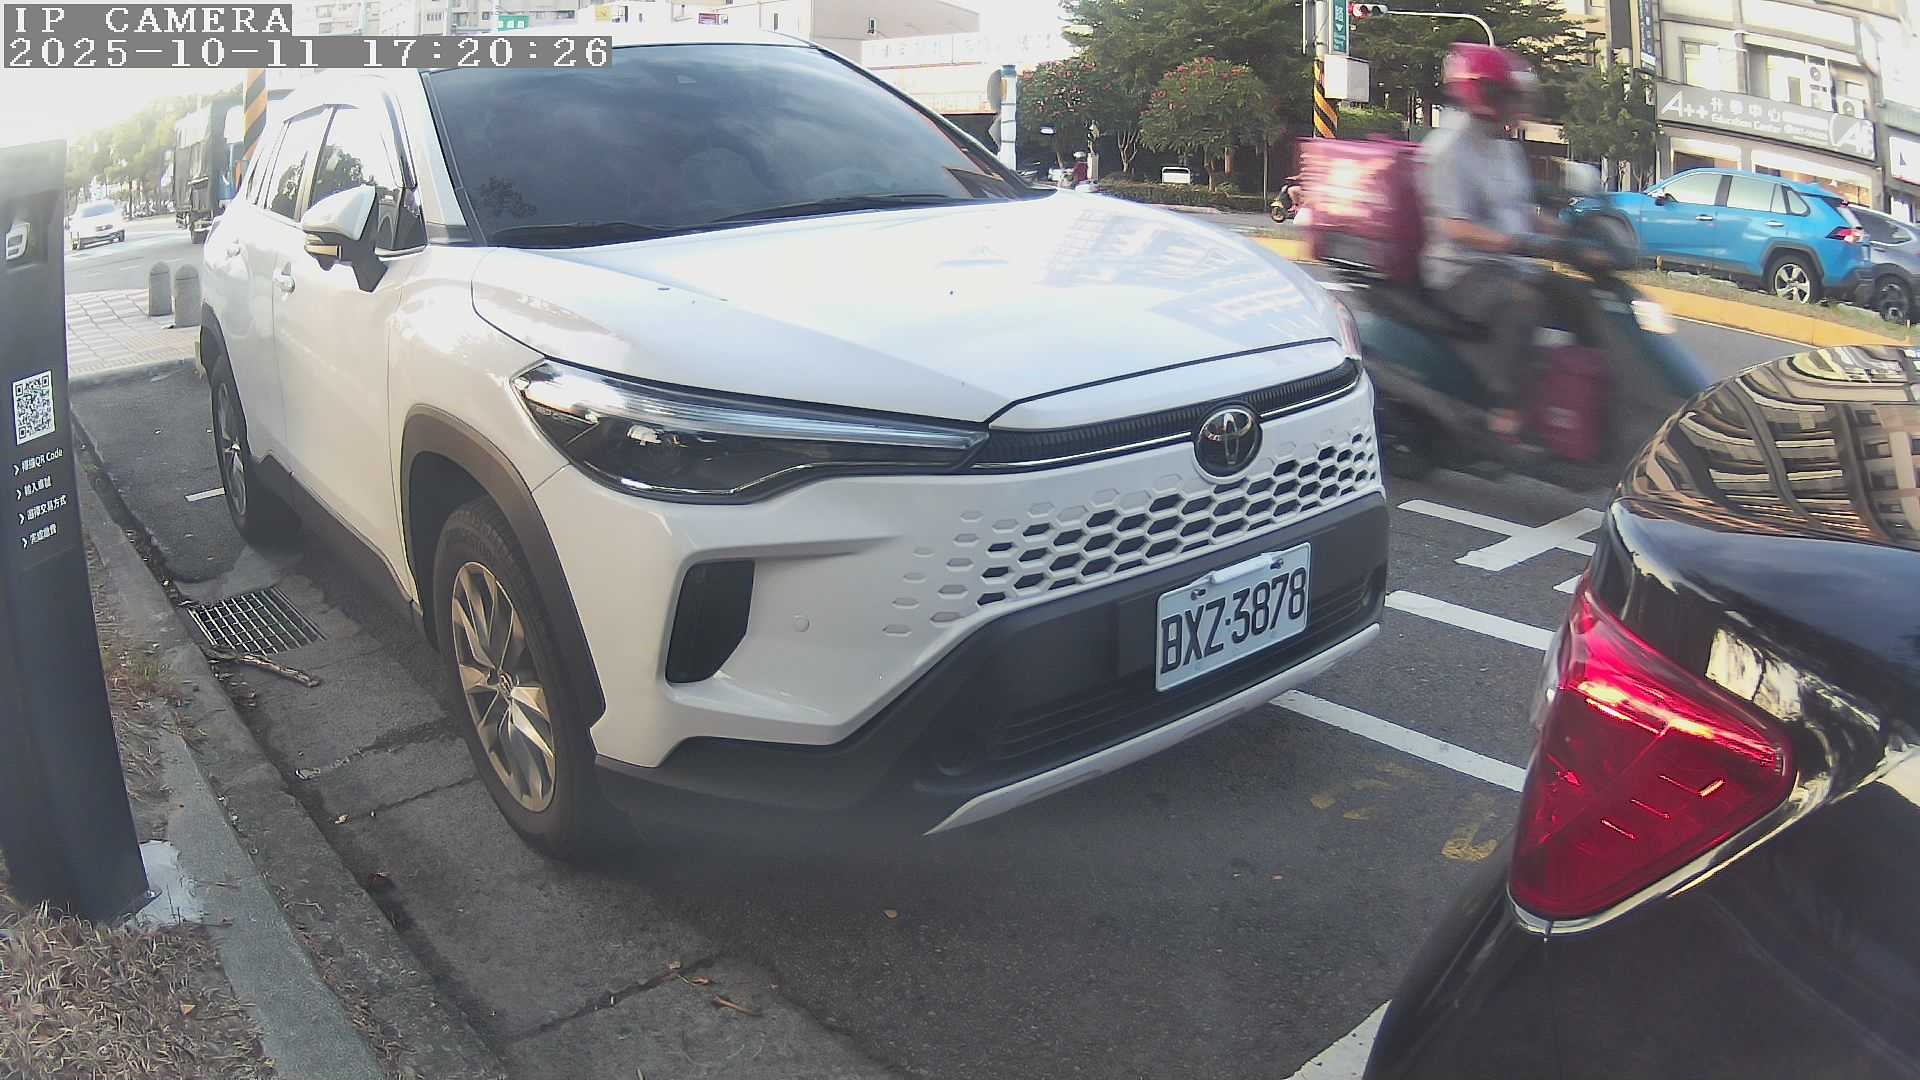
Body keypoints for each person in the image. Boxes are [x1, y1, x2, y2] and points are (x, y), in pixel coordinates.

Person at [1418, 43, 1553, 455]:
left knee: (1574, 296)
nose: (1518, 105)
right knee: (1521, 303)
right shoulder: (1447, 150)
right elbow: (1453, 226)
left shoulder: (1505, 147)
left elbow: (1521, 210)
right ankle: (1503, 410)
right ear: (1487, 95)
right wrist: (1513, 242)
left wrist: (1572, 231)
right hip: (1461, 272)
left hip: (1507, 264)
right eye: (1510, 96)